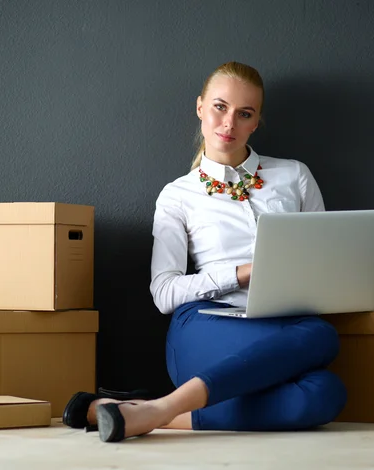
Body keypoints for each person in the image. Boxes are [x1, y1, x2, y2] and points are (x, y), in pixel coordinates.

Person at [62, 61, 347, 442]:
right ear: (200, 108)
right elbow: (164, 292)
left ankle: (152, 412)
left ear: (256, 122)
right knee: (321, 340)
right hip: (204, 326)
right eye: (219, 107)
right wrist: (242, 273)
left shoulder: (294, 175)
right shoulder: (178, 195)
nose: (229, 123)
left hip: (282, 326)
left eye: (244, 113)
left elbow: (322, 260)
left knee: (326, 386)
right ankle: (162, 408)